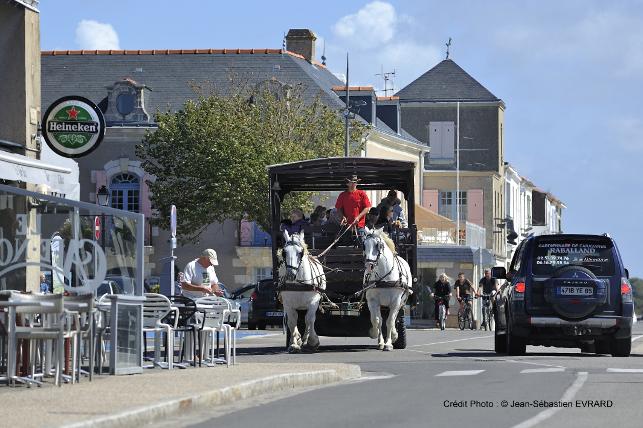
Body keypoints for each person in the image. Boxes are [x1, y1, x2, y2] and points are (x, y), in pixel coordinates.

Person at [335, 175, 371, 241]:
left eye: (355, 182)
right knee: (342, 245)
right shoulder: (342, 195)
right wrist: (343, 216)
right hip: (346, 226)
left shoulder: (362, 194)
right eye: (351, 182)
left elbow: (367, 208)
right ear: (347, 183)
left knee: (362, 246)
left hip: (359, 226)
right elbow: (338, 208)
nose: (353, 184)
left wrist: (358, 217)